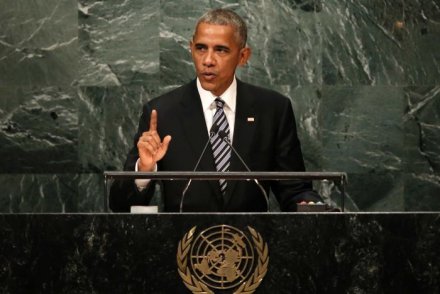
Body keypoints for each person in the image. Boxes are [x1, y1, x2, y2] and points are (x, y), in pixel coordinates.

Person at [109, 8, 322, 212]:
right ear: (190, 48)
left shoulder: (273, 109)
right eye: (201, 48)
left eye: (221, 50)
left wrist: (312, 208)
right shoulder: (162, 112)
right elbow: (119, 205)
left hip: (252, 243)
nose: (208, 61)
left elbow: (295, 189)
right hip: (185, 244)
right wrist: (144, 171)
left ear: (243, 56)